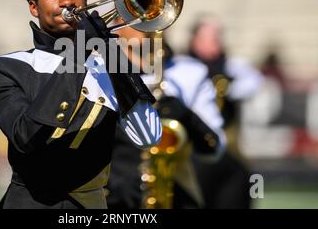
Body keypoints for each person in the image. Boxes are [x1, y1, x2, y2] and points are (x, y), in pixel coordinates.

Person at [0, 0, 162, 209]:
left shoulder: (106, 65)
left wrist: (113, 59)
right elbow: (25, 136)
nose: (67, 2)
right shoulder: (7, 67)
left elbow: (148, 136)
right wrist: (78, 52)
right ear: (34, 7)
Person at [106, 27, 226, 209]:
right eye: (130, 14)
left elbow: (215, 149)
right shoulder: (100, 71)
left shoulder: (189, 72)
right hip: (113, 200)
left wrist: (186, 115)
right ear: (118, 22)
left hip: (173, 196)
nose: (142, 22)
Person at [187, 16, 263, 209]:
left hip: (230, 152)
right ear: (195, 40)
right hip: (193, 153)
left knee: (241, 194)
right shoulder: (183, 66)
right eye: (210, 37)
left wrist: (228, 87)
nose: (216, 42)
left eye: (218, 37)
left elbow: (254, 83)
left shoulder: (232, 66)